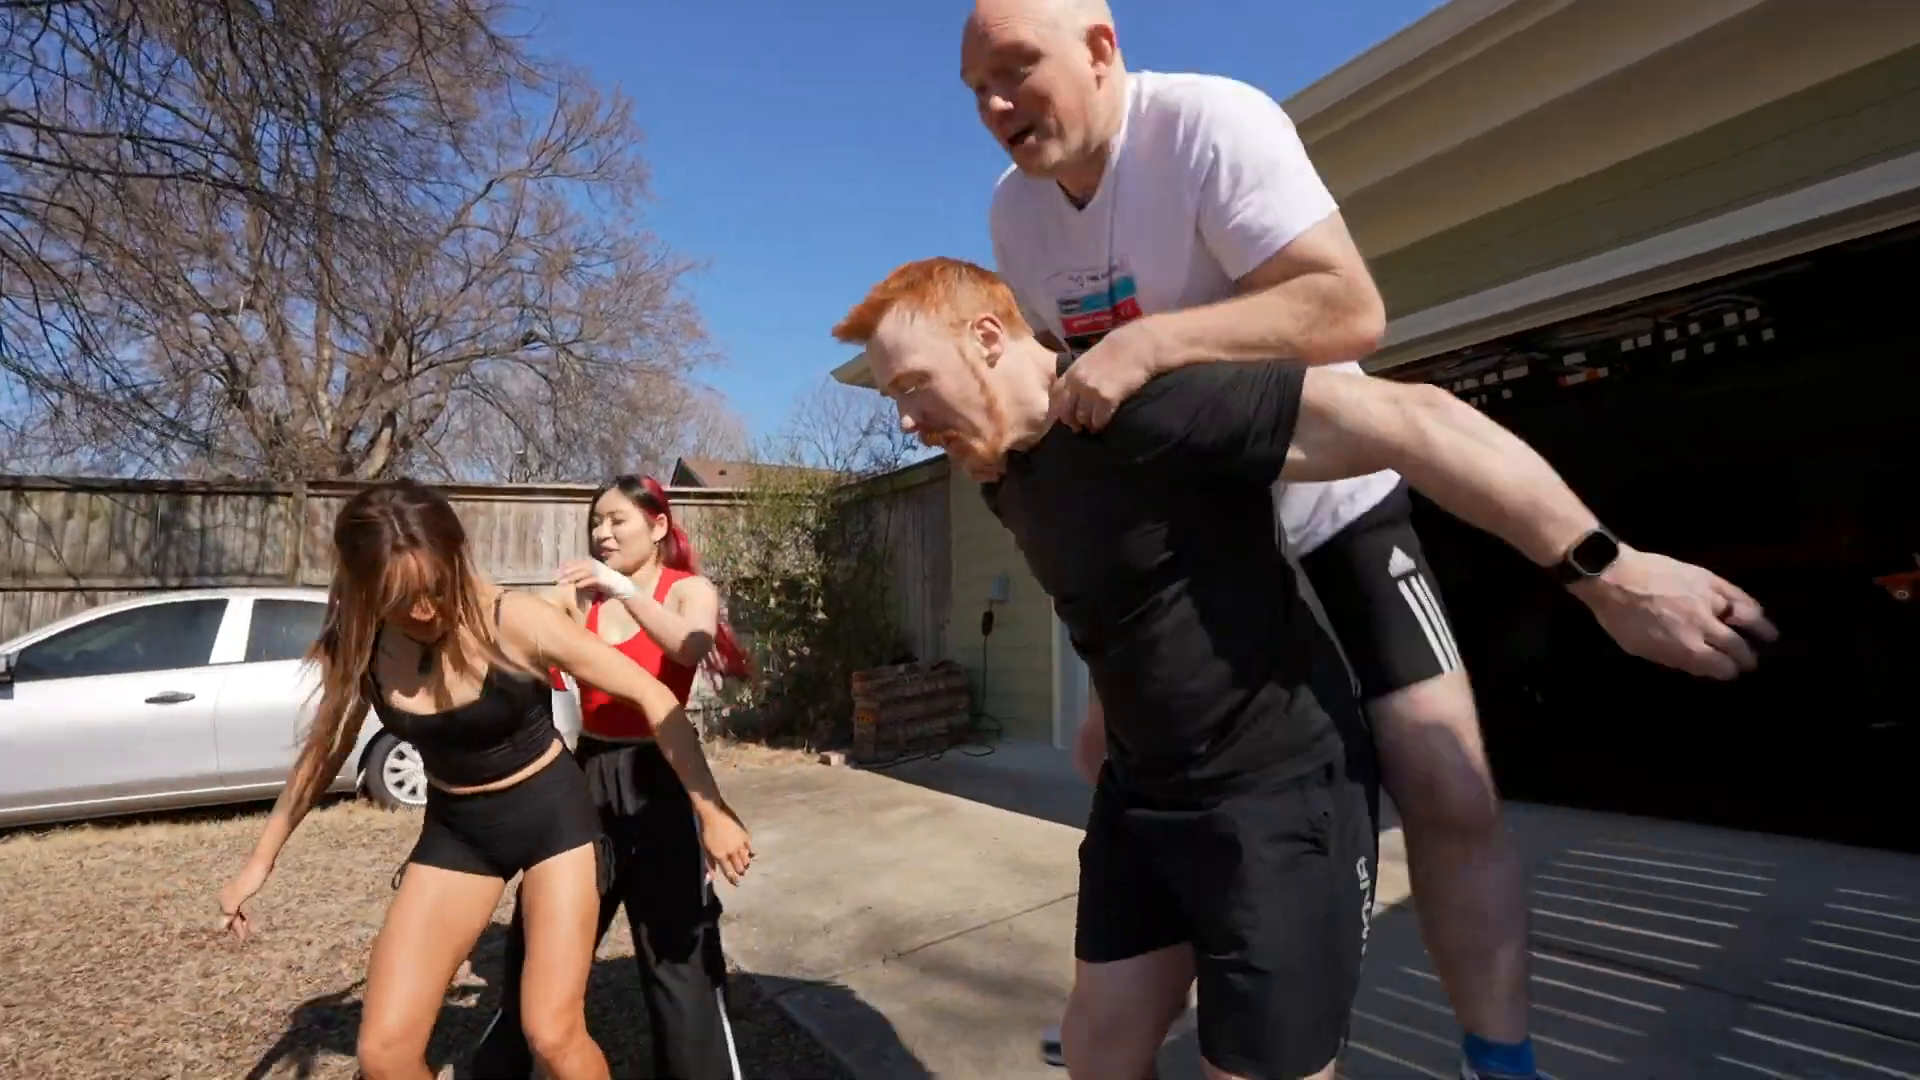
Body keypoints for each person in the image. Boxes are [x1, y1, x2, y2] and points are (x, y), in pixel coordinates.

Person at [958, 2, 1768, 1076]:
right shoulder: (1014, 216)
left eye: (1016, 70)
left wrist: (1609, 573)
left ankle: (1499, 1059)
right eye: (977, 90)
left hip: (1331, 510)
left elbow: (1348, 310)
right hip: (1190, 552)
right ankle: (1129, 1000)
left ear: (1101, 48)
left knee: (1447, 784)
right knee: (1112, 764)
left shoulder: (1207, 125)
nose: (995, 105)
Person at [829, 256, 1775, 1080]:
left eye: (912, 385)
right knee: (1098, 1050)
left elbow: (1417, 419)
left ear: (988, 338)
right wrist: (1104, 710)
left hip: (1273, 802)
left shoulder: (1153, 405)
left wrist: (1610, 574)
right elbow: (1123, 590)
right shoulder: (1003, 472)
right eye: (895, 399)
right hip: (1147, 800)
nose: (906, 421)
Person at [216, 478, 750, 1080]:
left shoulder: (516, 618)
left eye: (433, 589)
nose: (423, 611)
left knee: (552, 1033)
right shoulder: (362, 641)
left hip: (555, 821)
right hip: (458, 832)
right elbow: (322, 752)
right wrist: (259, 862)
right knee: (384, 1054)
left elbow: (656, 693)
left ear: (455, 558)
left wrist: (711, 810)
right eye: (400, 599)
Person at [469, 474, 755, 1080]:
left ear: (658, 525)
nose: (602, 532)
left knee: (677, 956)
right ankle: (504, 1066)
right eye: (595, 521)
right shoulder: (580, 599)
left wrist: (623, 589)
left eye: (616, 519)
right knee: (539, 937)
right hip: (587, 775)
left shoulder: (687, 590)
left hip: (663, 776)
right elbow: (511, 623)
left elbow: (688, 645)